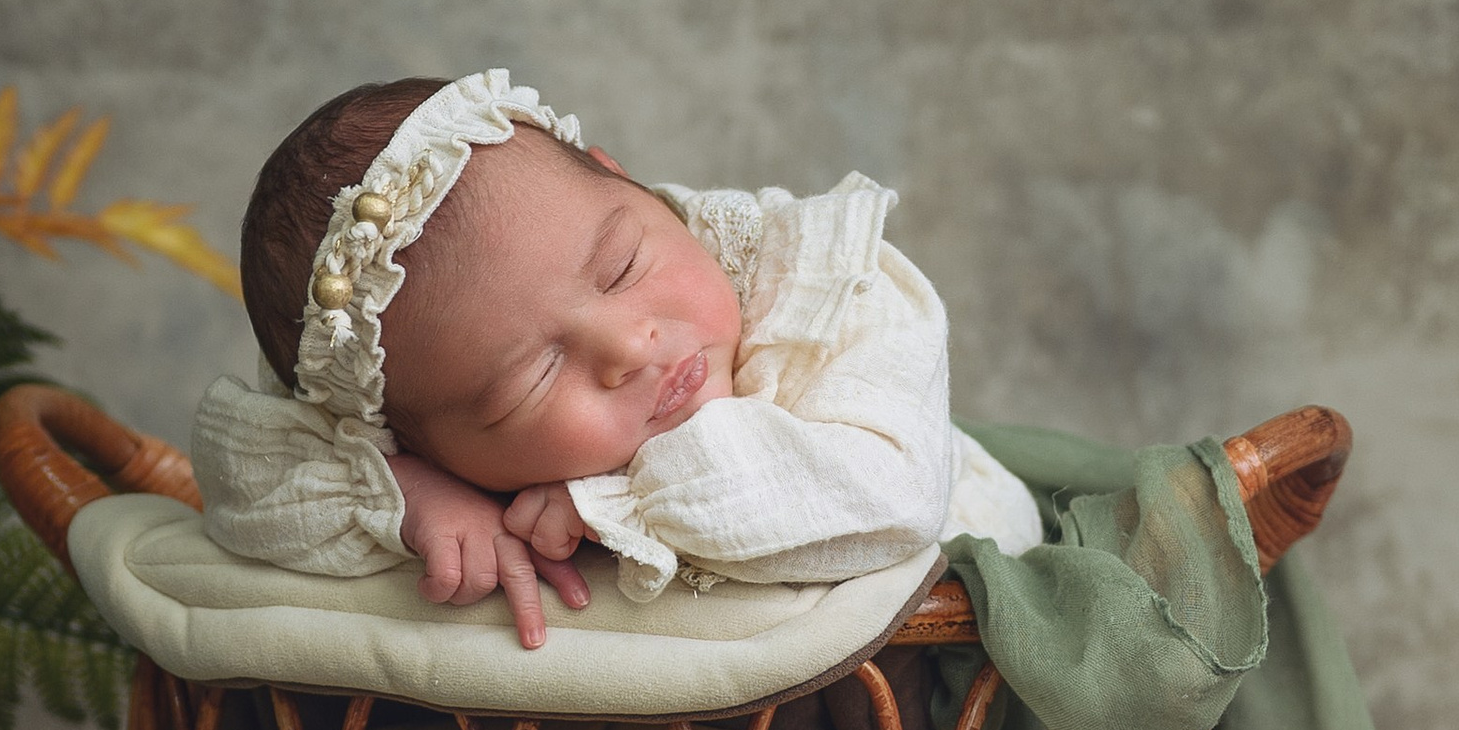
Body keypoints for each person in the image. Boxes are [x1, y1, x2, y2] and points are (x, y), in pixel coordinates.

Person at [192, 69, 1042, 647]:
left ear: (624, 177)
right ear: (415, 438)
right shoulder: (412, 449)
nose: (626, 346)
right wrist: (405, 493)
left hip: (964, 650)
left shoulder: (828, 279)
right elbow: (240, 467)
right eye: (535, 375)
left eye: (622, 267)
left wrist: (611, 501)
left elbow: (887, 499)